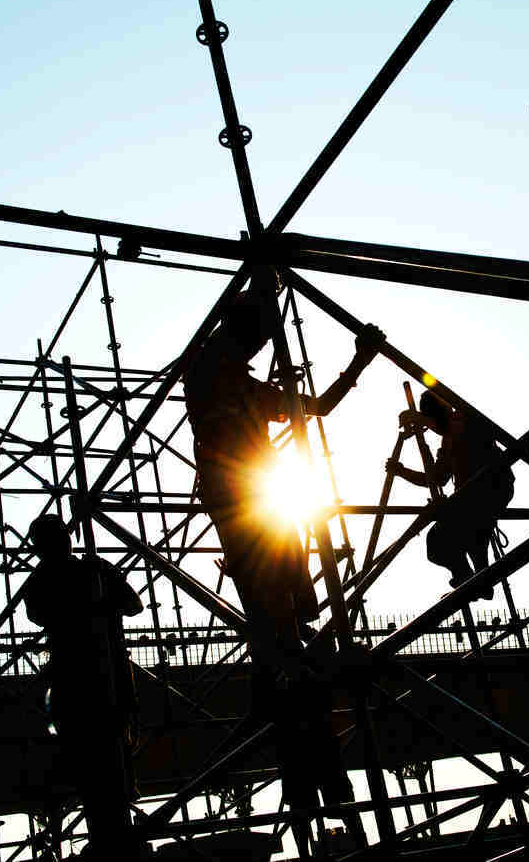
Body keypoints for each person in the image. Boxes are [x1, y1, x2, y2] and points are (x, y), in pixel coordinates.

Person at [183, 282, 384, 835]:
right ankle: (323, 795)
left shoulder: (233, 384)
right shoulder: (207, 375)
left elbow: (312, 407)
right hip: (248, 512)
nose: (253, 348)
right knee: (284, 648)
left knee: (286, 657)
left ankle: (313, 787)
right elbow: (223, 343)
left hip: (257, 512)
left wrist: (355, 363)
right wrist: (258, 293)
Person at [23, 513, 144, 861]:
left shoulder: (44, 581)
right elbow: (133, 605)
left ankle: (110, 841)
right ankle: (118, 841)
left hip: (78, 689)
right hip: (102, 684)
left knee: (95, 778)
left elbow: (38, 613)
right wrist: (100, 598)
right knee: (111, 773)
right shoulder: (94, 571)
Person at [387, 390, 514, 600]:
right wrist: (401, 471)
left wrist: (419, 419)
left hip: (489, 489)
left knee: (440, 540)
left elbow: (456, 427)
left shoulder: (463, 418)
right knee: (462, 538)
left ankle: (472, 580)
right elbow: (437, 478)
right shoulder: (447, 440)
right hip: (472, 497)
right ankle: (475, 581)